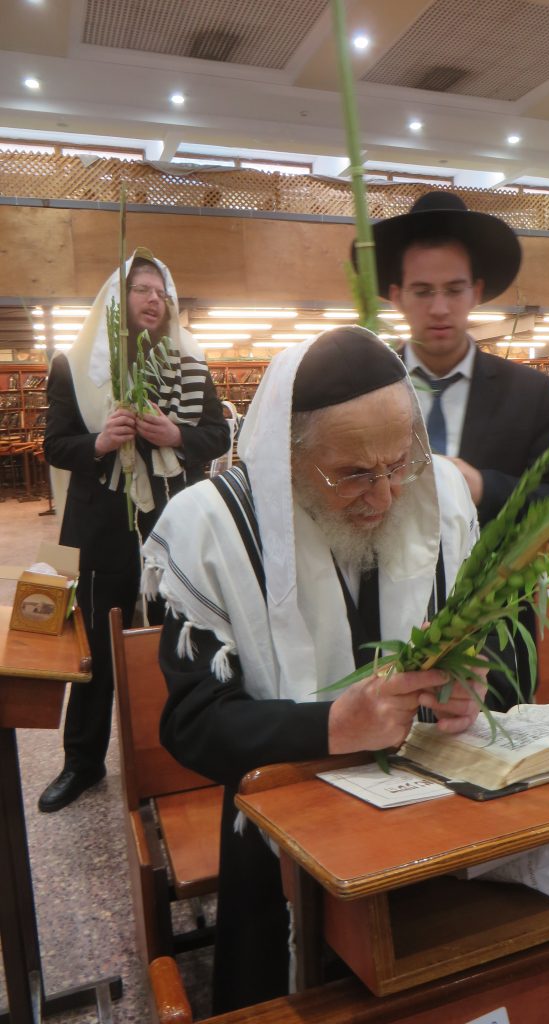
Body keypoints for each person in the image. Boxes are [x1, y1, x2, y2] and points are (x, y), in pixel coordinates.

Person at [142, 326, 481, 1011]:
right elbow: (191, 724)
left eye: (397, 463)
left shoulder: (438, 497)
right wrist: (330, 724)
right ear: (286, 461)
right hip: (276, 849)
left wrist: (472, 689)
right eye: (352, 474)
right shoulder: (210, 529)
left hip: (432, 829)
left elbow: (487, 648)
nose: (384, 497)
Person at [364, 190, 549, 709]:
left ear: (476, 291)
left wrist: (481, 486)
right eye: (422, 290)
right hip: (380, 628)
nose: (439, 308)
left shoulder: (530, 394)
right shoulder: (363, 392)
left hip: (496, 630)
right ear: (395, 294)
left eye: (454, 289)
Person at [38, 249, 229, 813]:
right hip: (103, 527)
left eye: (161, 291)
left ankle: (176, 752)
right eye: (142, 289)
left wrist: (177, 435)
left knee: (178, 639)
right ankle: (82, 761)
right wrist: (99, 443)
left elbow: (216, 434)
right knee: (96, 646)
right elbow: (55, 444)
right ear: (117, 302)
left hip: (173, 524)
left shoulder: (190, 362)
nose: (153, 299)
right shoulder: (74, 366)